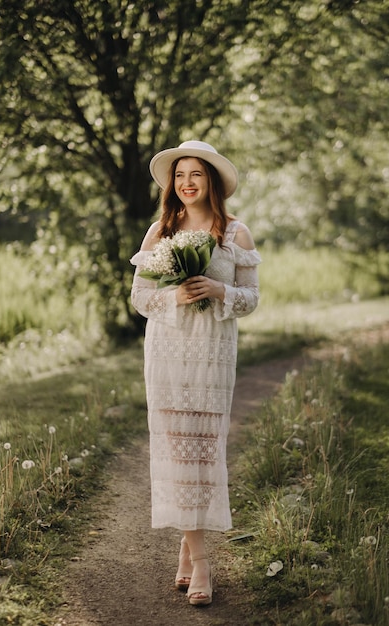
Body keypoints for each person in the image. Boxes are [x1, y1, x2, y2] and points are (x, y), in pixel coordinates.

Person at [130, 140, 261, 606]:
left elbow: (251, 297)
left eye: (196, 175)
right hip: (167, 353)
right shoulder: (159, 232)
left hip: (211, 354)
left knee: (203, 455)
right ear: (172, 183)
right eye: (180, 175)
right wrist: (175, 297)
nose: (186, 183)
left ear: (211, 182)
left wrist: (219, 289)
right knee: (175, 450)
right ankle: (203, 564)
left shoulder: (235, 233)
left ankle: (189, 554)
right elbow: (140, 299)